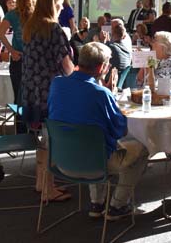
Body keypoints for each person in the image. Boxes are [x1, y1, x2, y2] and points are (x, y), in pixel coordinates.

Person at [48, 42, 149, 220]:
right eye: (109, 63)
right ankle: (118, 204)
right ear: (102, 67)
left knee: (92, 139)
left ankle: (97, 202)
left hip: (61, 161)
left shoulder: (56, 84)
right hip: (95, 164)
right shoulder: (101, 94)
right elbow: (121, 131)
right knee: (142, 149)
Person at [22, 0, 74, 202]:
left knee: (42, 139)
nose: (62, 8)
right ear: (51, 4)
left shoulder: (30, 27)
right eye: (59, 3)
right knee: (51, 139)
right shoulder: (53, 29)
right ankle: (49, 188)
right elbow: (67, 66)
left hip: (32, 91)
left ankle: (41, 182)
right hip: (50, 92)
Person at [0, 0, 36, 105]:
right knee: (33, 96)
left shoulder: (13, 14)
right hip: (34, 59)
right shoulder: (38, 14)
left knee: (18, 96)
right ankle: (32, 122)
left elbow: (0, 32)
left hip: (18, 58)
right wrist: (11, 50)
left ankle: (19, 123)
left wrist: (11, 50)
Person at [137, 31, 171, 96]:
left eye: (154, 41)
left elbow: (153, 89)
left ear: (163, 47)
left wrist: (150, 67)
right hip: (150, 100)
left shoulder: (170, 64)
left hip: (162, 102)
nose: (152, 44)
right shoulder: (157, 60)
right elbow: (139, 83)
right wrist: (143, 65)